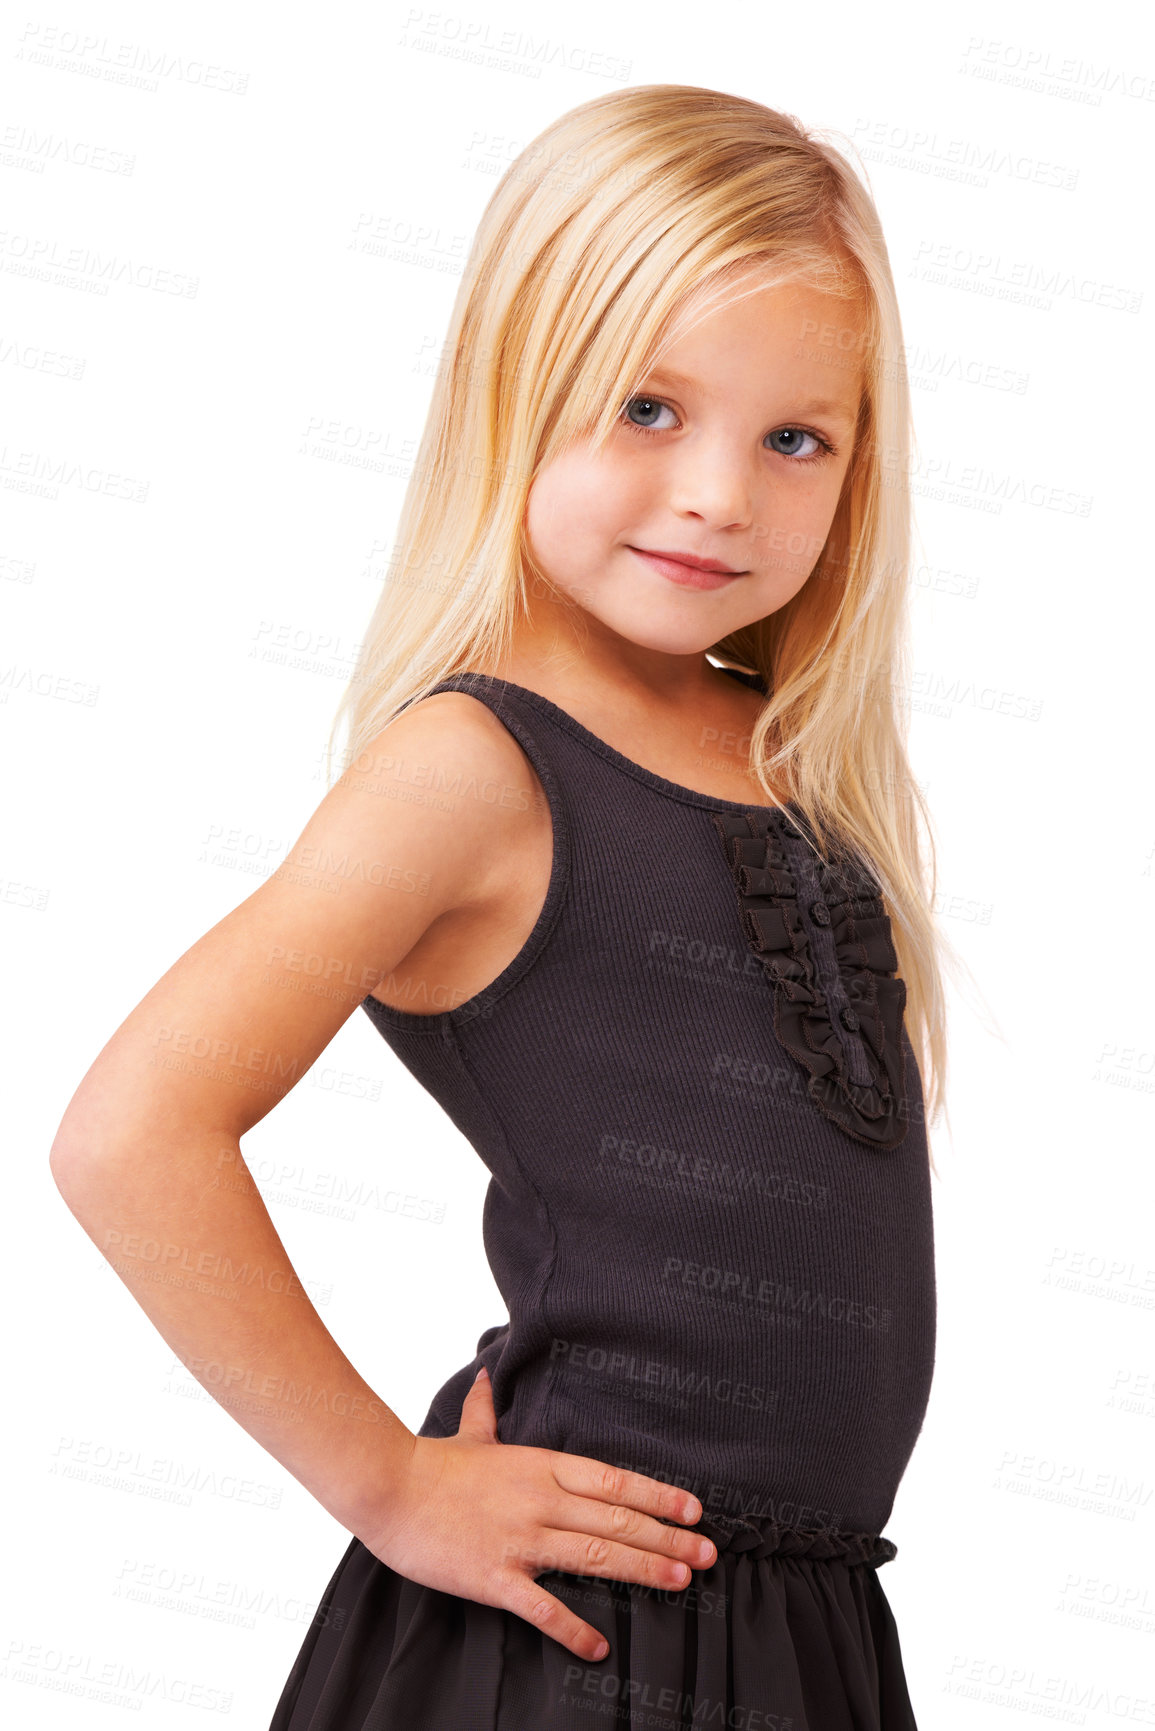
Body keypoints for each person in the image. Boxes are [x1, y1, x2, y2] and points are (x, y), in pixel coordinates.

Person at [50, 83, 952, 1730]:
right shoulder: (474, 770)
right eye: (649, 410)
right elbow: (131, 1131)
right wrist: (390, 1485)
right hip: (595, 1626)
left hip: (802, 1623)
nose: (720, 497)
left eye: (794, 439)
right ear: (509, 393)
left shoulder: (789, 760)